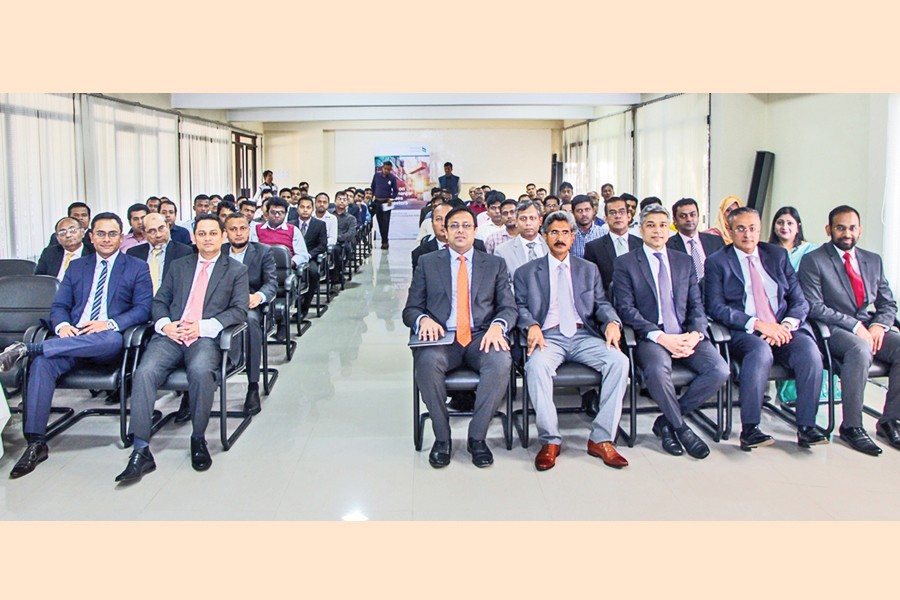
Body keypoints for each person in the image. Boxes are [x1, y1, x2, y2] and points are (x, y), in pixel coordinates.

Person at [1, 213, 152, 479]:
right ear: (90, 237)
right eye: (101, 234)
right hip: (70, 340)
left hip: (108, 343)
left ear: (121, 237)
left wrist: (110, 323)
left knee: (108, 339)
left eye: (113, 234)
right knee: (43, 364)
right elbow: (59, 306)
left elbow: (143, 309)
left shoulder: (137, 267)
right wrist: (62, 327)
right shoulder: (77, 267)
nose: (106, 239)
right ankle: (36, 442)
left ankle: (28, 348)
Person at [117, 215, 249, 483]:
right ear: (194, 237)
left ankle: (198, 437)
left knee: (200, 372)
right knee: (144, 372)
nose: (208, 238)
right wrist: (165, 325)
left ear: (223, 236)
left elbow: (239, 310)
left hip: (205, 336)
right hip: (172, 335)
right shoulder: (179, 266)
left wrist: (203, 327)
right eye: (202, 234)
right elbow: (160, 301)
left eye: (213, 233)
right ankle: (141, 449)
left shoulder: (235, 270)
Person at [514, 211, 630, 470]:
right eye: (553, 232)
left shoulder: (588, 269)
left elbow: (601, 303)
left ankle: (601, 438)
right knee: (535, 366)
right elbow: (520, 306)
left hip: (583, 334)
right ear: (545, 236)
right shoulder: (527, 272)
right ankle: (550, 440)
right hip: (549, 336)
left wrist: (612, 322)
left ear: (573, 236)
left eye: (565, 232)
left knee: (619, 362)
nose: (559, 237)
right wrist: (531, 324)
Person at [705, 206, 828, 451]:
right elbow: (716, 307)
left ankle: (806, 427)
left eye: (753, 229)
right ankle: (750, 429)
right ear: (730, 231)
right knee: (760, 352)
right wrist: (758, 325)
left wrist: (785, 325)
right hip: (746, 331)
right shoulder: (717, 261)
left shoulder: (777, 256)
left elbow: (799, 301)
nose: (748, 235)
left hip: (782, 328)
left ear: (760, 230)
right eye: (741, 229)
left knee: (810, 352)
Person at [402, 206, 516, 469]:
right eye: (455, 226)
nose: (461, 231)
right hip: (442, 337)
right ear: (446, 231)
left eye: (466, 225)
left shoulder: (494, 264)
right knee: (427, 364)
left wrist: (499, 326)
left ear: (475, 230)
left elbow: (509, 308)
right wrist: (423, 319)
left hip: (481, 335)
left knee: (500, 362)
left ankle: (477, 437)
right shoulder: (428, 263)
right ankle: (442, 438)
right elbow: (411, 309)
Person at [613, 205, 730, 459]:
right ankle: (681, 428)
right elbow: (626, 309)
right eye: (651, 225)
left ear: (670, 229)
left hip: (685, 334)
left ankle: (666, 421)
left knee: (720, 370)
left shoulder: (683, 261)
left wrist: (696, 333)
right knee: (657, 371)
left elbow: (696, 305)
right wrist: (660, 337)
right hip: (652, 336)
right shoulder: (626, 263)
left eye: (663, 225)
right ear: (641, 229)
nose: (657, 231)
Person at [798, 205, 900, 456]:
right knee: (860, 348)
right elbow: (814, 306)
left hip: (869, 325)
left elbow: (888, 303)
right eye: (840, 227)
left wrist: (877, 325)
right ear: (829, 229)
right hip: (833, 329)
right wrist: (856, 326)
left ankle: (890, 421)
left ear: (860, 230)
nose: (847, 233)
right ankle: (852, 426)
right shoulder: (814, 260)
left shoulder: (873, 260)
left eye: (852, 228)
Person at [767, 206, 832, 405]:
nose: (784, 227)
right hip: (775, 313)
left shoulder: (810, 251)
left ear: (798, 227)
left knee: (808, 347)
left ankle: (811, 396)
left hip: (805, 310)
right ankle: (788, 396)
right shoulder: (767, 251)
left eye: (789, 223)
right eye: (780, 223)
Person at [223, 213, 277, 415]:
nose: (238, 233)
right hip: (219, 306)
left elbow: (271, 282)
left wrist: (259, 296)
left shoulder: (262, 252)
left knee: (251, 324)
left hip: (248, 306)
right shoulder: (218, 253)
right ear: (225, 233)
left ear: (249, 229)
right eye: (233, 229)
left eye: (242, 228)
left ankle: (253, 384)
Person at [584, 196, 643, 295]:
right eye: (612, 212)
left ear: (629, 216)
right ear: (605, 218)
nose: (618, 216)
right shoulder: (594, 247)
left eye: (621, 212)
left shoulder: (641, 244)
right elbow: (590, 284)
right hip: (609, 302)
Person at [126, 212, 193, 295]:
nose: (158, 235)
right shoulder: (133, 254)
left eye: (161, 229)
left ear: (168, 227)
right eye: (152, 231)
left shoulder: (183, 252)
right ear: (144, 234)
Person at [667, 197, 726, 289]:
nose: (689, 219)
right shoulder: (668, 246)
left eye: (692, 215)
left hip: (715, 291)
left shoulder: (716, 241)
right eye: (683, 216)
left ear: (698, 216)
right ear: (674, 220)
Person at [411, 203, 486, 272]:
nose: (443, 223)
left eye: (447, 218)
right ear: (432, 224)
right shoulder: (420, 254)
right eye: (438, 219)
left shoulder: (477, 246)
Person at [494, 199, 546, 286]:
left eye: (532, 218)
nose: (528, 223)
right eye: (523, 219)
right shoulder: (502, 251)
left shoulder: (550, 246)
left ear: (540, 221)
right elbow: (503, 286)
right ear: (516, 222)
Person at [249, 197, 310, 270]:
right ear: (267, 213)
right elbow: (252, 252)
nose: (277, 215)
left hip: (287, 269)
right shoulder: (256, 229)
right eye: (273, 212)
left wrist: (290, 262)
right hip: (262, 269)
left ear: (285, 214)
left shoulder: (294, 230)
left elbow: (303, 255)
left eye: (281, 212)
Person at [297, 196, 329, 319]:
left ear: (312, 209)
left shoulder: (320, 224)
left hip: (311, 258)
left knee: (313, 272)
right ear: (297, 209)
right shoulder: (291, 224)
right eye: (302, 207)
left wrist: (309, 255)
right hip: (294, 258)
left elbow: (322, 245)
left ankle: (305, 307)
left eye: (308, 207)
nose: (305, 210)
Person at [370, 161, 399, 249]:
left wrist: (392, 198)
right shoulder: (376, 176)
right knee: (379, 222)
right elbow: (372, 187)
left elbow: (395, 190)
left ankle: (385, 241)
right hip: (377, 202)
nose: (386, 171)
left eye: (388, 169)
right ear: (382, 167)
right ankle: (381, 239)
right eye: (385, 168)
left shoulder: (392, 178)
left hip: (387, 203)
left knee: (385, 223)